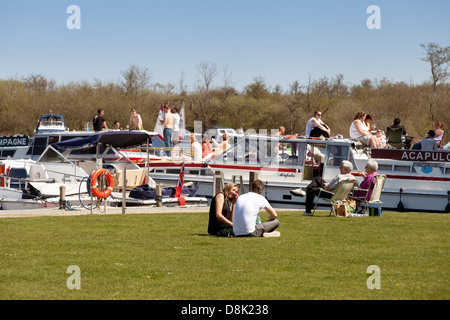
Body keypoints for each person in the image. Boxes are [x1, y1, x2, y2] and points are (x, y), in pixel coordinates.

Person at [290, 160, 355, 216]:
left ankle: (307, 210)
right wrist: (327, 184)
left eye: (341, 167)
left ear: (346, 169)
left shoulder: (339, 177)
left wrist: (325, 185)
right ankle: (303, 190)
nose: (339, 168)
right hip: (339, 196)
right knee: (318, 178)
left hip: (330, 195)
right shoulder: (352, 178)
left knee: (311, 188)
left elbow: (328, 189)